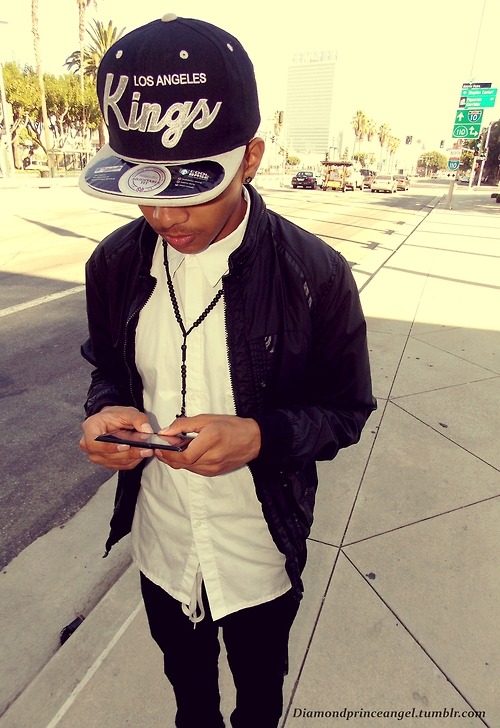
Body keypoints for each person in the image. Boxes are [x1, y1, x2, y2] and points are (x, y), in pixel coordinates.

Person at [78, 14, 376, 728]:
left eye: (191, 189)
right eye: (145, 187)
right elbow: (109, 370)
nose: (163, 215)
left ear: (250, 158)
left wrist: (261, 437)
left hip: (258, 553)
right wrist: (105, 412)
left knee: (259, 703)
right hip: (160, 545)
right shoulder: (113, 264)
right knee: (191, 704)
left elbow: (346, 411)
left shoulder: (316, 274)